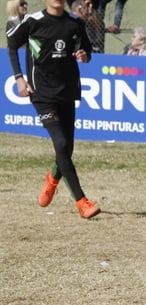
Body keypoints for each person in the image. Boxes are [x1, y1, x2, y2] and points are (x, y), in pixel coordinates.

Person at [6, 0, 100, 219]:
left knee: (66, 149)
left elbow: (87, 51)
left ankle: (53, 178)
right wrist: (19, 78)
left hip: (67, 92)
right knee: (60, 143)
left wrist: (84, 56)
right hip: (42, 95)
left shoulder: (75, 22)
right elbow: (11, 45)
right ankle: (82, 202)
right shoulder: (33, 21)